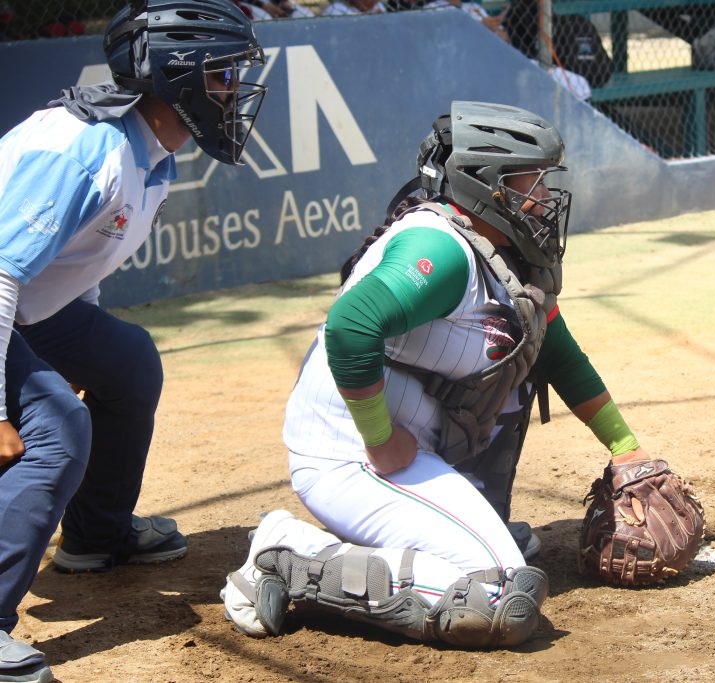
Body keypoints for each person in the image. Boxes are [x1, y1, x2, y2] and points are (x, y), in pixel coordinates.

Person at [221, 101, 677, 647]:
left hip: (415, 444)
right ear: (486, 185)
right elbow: (350, 326)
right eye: (531, 181)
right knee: (499, 590)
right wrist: (379, 438)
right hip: (351, 452)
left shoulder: (502, 249)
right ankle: (289, 554)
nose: (544, 197)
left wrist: (625, 447)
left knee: (519, 357)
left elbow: (555, 350)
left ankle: (454, 529)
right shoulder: (442, 249)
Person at [0, 1, 266, 681]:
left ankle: (95, 533)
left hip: (23, 307)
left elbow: (71, 269)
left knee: (127, 361)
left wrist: (78, 353)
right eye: (224, 74)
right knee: (58, 429)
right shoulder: (89, 153)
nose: (236, 91)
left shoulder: (146, 152)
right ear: (178, 77)